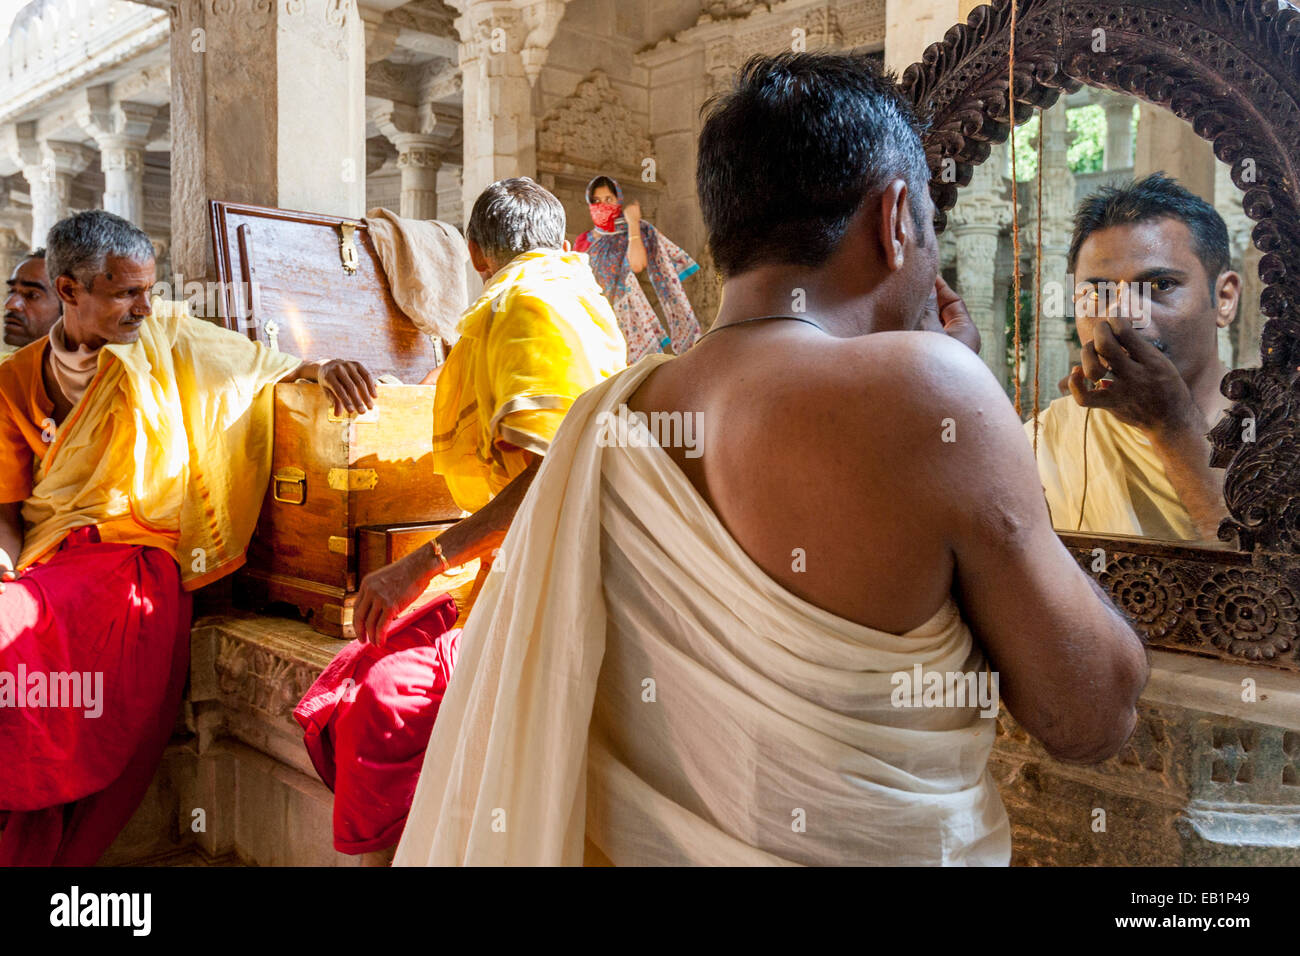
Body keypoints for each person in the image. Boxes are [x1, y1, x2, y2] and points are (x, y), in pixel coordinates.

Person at [394, 52, 1148, 867]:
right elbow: (1092, 714)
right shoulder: (930, 393)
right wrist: (957, 401)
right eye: (930, 222)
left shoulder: (606, 416)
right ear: (895, 219)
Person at [0, 210, 377, 865]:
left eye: (150, 289)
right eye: (126, 294)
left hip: (132, 565)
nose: (147, 306)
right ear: (69, 291)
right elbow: (4, 508)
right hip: (45, 560)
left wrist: (324, 368)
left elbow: (267, 367)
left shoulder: (167, 335)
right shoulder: (13, 381)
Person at [293, 177, 627, 856]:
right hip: (530, 559)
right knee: (364, 663)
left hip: (555, 569)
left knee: (381, 698)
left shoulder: (524, 306)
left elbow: (549, 482)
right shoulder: (578, 294)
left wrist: (424, 561)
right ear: (561, 242)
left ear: (475, 255)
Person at [1026, 174, 1239, 541]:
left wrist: (1172, 428)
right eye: (1097, 291)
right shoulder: (1047, 439)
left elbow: (1270, 589)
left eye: (1160, 286)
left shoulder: (1277, 434)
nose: (1120, 315)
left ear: (1224, 299)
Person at [574, 175, 701, 362]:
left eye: (608, 199)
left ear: (619, 200)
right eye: (596, 201)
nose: (602, 205)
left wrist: (633, 224)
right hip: (595, 320)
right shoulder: (584, 240)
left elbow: (637, 263)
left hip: (628, 319)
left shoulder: (634, 232)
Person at [2, 249, 60, 357]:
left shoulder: (97, 371)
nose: (10, 304)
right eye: (11, 291)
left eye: (32, 295)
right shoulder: (5, 368)